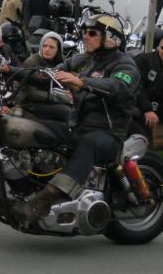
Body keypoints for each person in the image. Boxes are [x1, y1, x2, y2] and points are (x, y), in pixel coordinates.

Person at [12, 14, 139, 225]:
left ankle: (46, 200)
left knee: (90, 143)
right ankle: (5, 182)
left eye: (92, 33)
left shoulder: (125, 64)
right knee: (30, 127)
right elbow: (46, 75)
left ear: (110, 38)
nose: (86, 36)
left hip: (108, 134)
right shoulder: (82, 60)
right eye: (84, 32)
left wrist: (81, 82)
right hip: (77, 128)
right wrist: (10, 70)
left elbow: (118, 87)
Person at [131, 31, 163, 141]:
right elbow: (136, 85)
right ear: (158, 47)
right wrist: (147, 109)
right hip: (141, 109)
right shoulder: (143, 60)